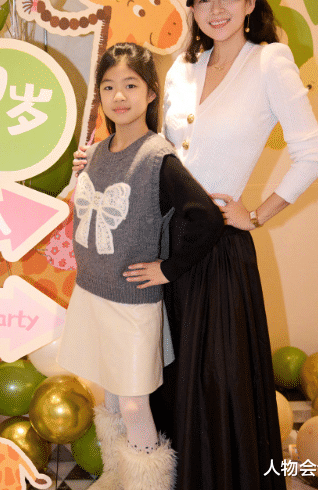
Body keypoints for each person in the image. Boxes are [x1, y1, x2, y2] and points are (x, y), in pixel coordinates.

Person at [151, 0, 318, 490]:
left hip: (220, 250)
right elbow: (162, 154)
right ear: (192, 9)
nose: (217, 9)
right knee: (174, 381)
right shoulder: (182, 69)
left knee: (219, 384)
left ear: (251, 2)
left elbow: (313, 150)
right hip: (168, 247)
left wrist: (256, 213)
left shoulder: (269, 61)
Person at [59, 41, 224, 490]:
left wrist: (166, 269)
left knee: (133, 404)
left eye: (130, 85)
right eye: (109, 86)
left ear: (151, 92)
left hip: (132, 303)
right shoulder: (97, 151)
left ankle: (149, 482)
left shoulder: (156, 156)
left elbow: (206, 218)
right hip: (92, 292)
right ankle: (119, 474)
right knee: (111, 396)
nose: (119, 96)